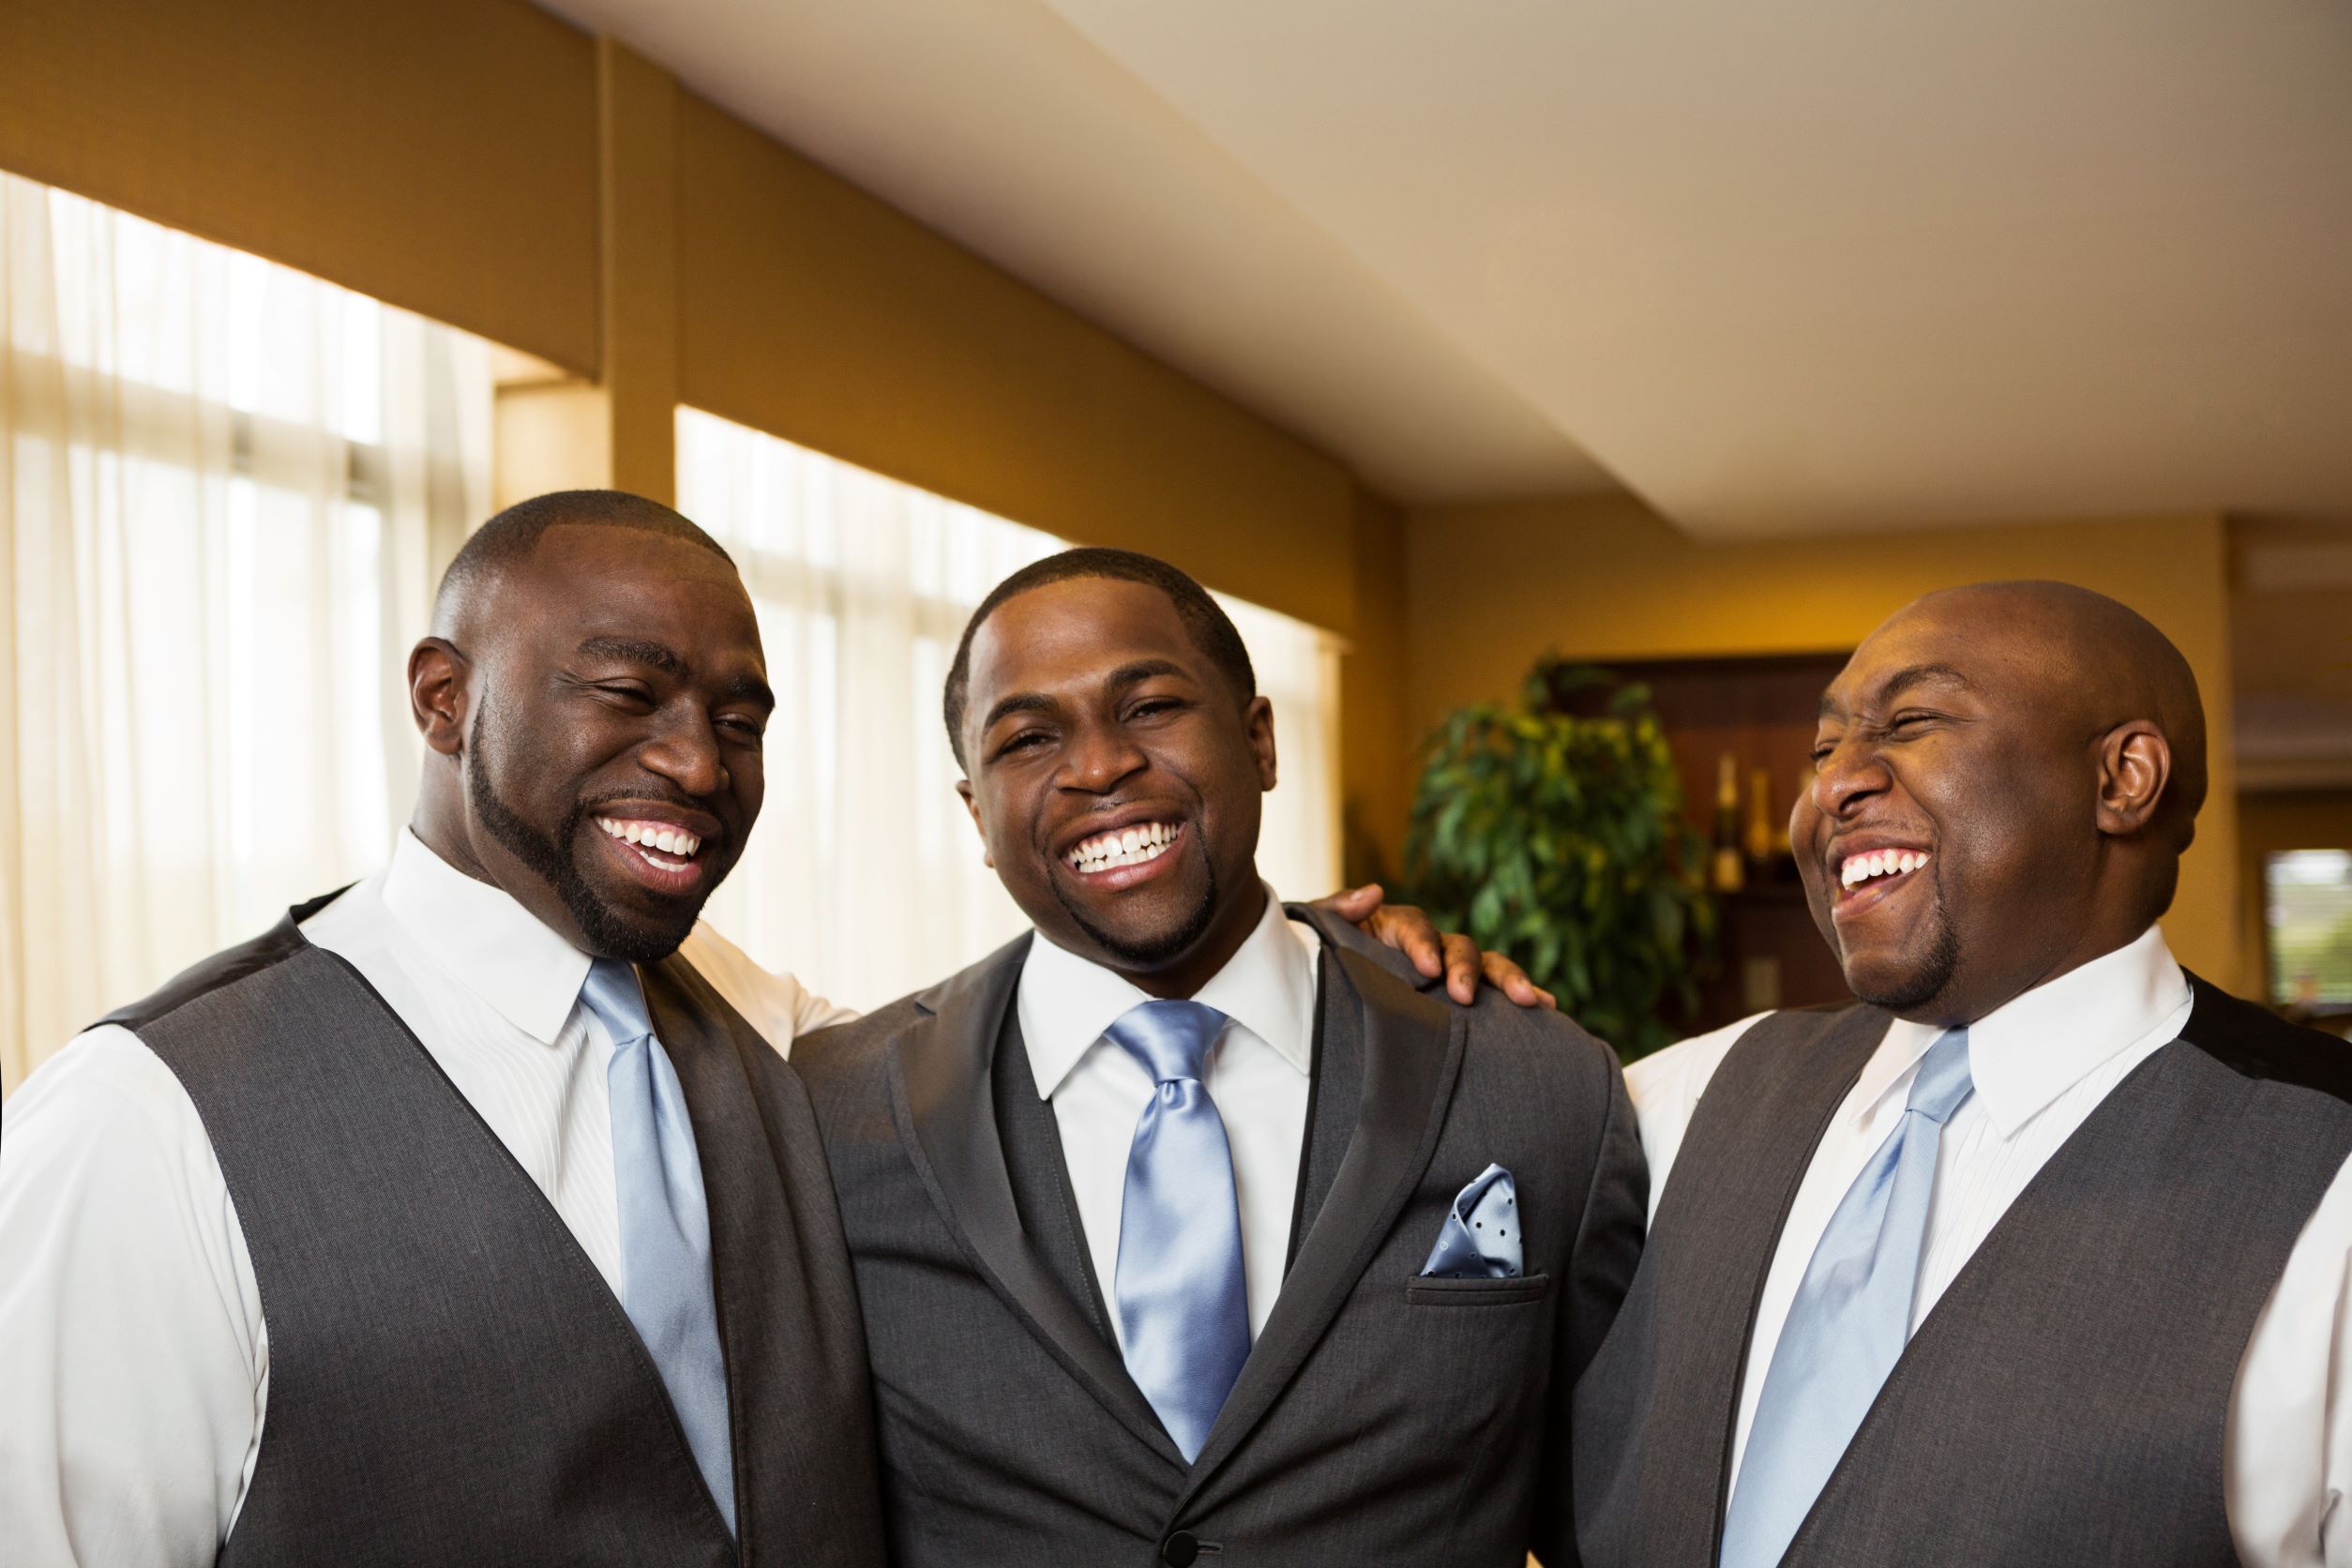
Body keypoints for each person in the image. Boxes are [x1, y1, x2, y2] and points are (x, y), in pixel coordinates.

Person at [0, 491, 1515, 1567]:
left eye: (740, 719)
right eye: (627, 693)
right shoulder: (141, 1117)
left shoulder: (772, 1034)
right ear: (445, 700)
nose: (696, 763)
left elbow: (1067, 1022)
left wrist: (1300, 949)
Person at [792, 549, 1648, 1567]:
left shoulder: (1540, 1082)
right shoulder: (833, 1114)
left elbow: (1625, 1515)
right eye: (1027, 736)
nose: (1100, 765)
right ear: (977, 814)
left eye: (1150, 706)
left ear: (1260, 740)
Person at [1575, 581, 2352, 1568]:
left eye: (1911, 721)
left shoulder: (2330, 1169)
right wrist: (1368, 971)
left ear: (2123, 778)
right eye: (1822, 751)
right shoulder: (1682, 1097)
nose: (1833, 786)